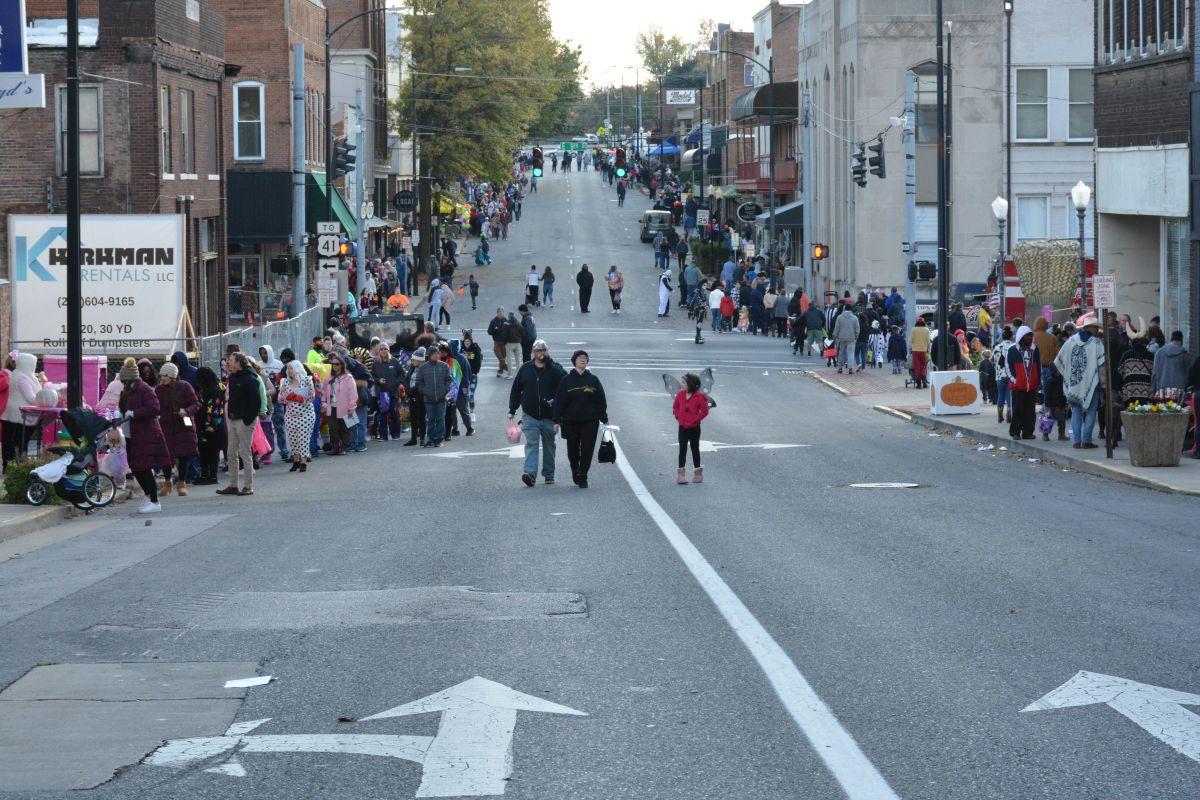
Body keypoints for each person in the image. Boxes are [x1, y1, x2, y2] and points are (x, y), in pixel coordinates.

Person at [508, 339, 565, 487]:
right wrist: (512, 409)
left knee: (549, 446)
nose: (542, 353)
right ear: (533, 352)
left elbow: (564, 383)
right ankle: (530, 474)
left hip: (550, 416)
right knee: (531, 444)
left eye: (544, 350)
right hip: (530, 416)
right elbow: (516, 389)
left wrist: (550, 365)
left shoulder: (554, 368)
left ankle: (549, 474)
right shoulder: (526, 369)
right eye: (539, 350)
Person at [554, 350, 608, 488]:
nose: (583, 360)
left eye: (585, 358)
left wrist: (604, 418)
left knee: (587, 450)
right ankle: (575, 469)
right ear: (574, 361)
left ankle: (583, 475)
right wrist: (556, 420)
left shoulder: (593, 380)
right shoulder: (566, 380)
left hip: (590, 421)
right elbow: (559, 401)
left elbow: (600, 400)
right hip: (570, 421)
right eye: (579, 358)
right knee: (572, 450)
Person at [1054, 313, 1105, 449]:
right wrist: (1103, 383)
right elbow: (1101, 365)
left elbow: (1059, 360)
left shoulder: (1071, 340)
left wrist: (1067, 374)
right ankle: (1086, 440)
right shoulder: (1096, 343)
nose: (1097, 330)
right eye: (1096, 328)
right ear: (1090, 328)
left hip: (1074, 382)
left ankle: (1077, 441)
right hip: (1092, 384)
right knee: (1091, 411)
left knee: (1076, 411)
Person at [217, 352, 260, 496]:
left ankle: (248, 486)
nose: (228, 362)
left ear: (239, 363)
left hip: (244, 421)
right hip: (234, 420)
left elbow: (256, 402)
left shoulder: (250, 379)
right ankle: (233, 485)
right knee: (231, 453)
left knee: (245, 453)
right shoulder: (233, 377)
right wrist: (231, 415)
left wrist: (247, 419)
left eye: (231, 360)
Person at [155, 362, 199, 497]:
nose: (162, 378)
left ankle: (181, 484)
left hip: (184, 424)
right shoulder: (159, 389)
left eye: (164, 376)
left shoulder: (185, 386)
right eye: (161, 375)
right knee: (166, 455)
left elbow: (196, 404)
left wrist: (186, 411)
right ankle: (167, 483)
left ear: (171, 376)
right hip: (166, 425)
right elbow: (155, 406)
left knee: (183, 454)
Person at [673, 372, 709, 485]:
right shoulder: (680, 394)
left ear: (691, 385)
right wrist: (678, 416)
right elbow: (675, 407)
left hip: (694, 428)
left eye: (684, 383)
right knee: (682, 449)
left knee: (695, 449)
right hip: (682, 427)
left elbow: (705, 411)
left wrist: (695, 419)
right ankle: (681, 474)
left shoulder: (699, 397)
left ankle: (698, 473)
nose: (682, 384)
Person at [413, 345, 452, 447]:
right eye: (433, 354)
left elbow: (449, 380)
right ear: (429, 355)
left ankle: (438, 440)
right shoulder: (423, 367)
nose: (436, 355)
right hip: (428, 399)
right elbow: (419, 382)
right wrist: (425, 391)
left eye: (437, 353)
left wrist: (445, 390)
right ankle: (430, 439)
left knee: (440, 419)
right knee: (430, 419)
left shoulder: (444, 366)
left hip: (441, 398)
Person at [1006, 325, 1041, 440]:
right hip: (1017, 387)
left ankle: (1028, 432)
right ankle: (1015, 432)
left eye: (1030, 335)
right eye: (1027, 336)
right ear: (1021, 336)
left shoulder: (1035, 349)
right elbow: (1008, 366)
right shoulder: (1012, 350)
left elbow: (1038, 366)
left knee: (1030, 411)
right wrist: (1015, 380)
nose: (1029, 338)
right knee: (1017, 410)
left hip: (1031, 386)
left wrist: (1037, 381)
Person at [280, 360, 315, 472]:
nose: (289, 371)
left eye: (291, 368)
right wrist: (287, 397)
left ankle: (303, 462)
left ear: (298, 368)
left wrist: (300, 398)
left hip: (306, 414)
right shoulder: (285, 382)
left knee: (303, 438)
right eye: (288, 368)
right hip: (290, 415)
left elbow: (312, 396)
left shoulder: (307, 380)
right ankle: (296, 461)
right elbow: (280, 399)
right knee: (293, 439)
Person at [321, 354, 357, 456]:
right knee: (333, 428)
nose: (334, 366)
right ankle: (335, 448)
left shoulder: (348, 377)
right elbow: (324, 391)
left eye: (337, 364)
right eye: (333, 364)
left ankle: (343, 448)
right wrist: (324, 403)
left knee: (346, 428)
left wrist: (351, 407)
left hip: (346, 407)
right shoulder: (329, 376)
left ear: (342, 365)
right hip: (331, 407)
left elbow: (353, 393)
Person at [371, 346, 404, 441]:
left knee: (394, 413)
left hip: (393, 392)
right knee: (383, 414)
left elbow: (402, 374)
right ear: (379, 351)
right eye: (381, 349)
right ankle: (383, 436)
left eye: (385, 349)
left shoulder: (394, 361)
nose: (383, 351)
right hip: (382, 393)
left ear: (388, 350)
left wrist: (395, 382)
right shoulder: (376, 363)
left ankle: (396, 435)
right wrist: (378, 380)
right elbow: (372, 376)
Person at [1151, 330, 1189, 395]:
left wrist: (1153, 390)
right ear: (1181, 341)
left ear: (1171, 339)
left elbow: (1154, 373)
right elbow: (1188, 374)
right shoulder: (1184, 354)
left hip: (1162, 389)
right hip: (1179, 390)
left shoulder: (1159, 352)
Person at [404, 347, 428, 446]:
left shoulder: (424, 369)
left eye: (414, 359)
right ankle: (413, 439)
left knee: (421, 418)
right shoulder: (412, 367)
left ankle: (422, 439)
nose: (412, 361)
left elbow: (421, 383)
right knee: (413, 419)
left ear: (420, 360)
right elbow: (407, 379)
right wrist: (407, 389)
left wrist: (410, 391)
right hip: (411, 397)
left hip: (421, 397)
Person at [832, 305, 859, 374]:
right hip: (851, 337)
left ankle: (840, 368)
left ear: (844, 309)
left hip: (842, 337)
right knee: (851, 353)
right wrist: (856, 336)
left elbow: (837, 328)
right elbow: (857, 329)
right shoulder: (855, 318)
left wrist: (835, 336)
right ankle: (850, 368)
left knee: (841, 353)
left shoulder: (840, 317)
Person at [487, 307, 511, 378]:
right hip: (497, 342)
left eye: (502, 312)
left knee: (503, 357)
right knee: (500, 357)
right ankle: (507, 368)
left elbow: (510, 332)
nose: (500, 314)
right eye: (499, 312)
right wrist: (495, 330)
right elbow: (489, 331)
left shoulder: (506, 321)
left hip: (505, 343)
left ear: (503, 313)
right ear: (497, 313)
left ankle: (500, 372)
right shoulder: (493, 321)